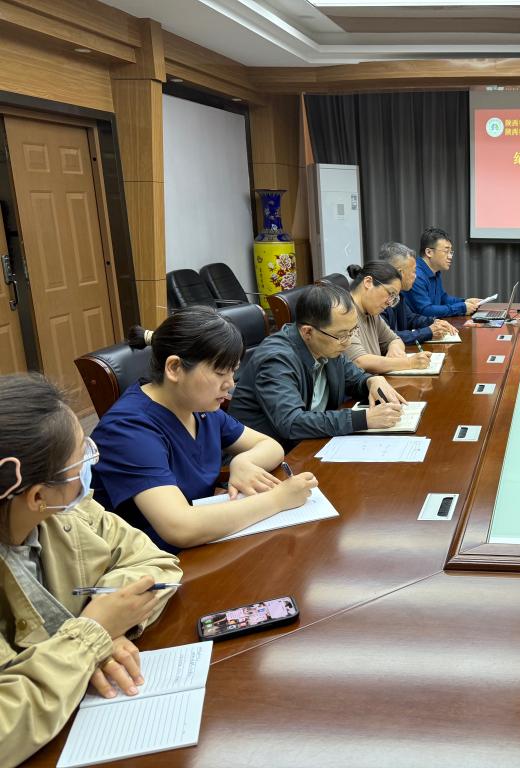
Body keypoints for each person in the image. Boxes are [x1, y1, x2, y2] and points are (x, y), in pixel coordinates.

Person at [0, 373, 182, 766]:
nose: (89, 463)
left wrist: (106, 624)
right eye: (81, 457)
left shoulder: (66, 512)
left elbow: (154, 561)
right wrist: (92, 634)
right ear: (37, 495)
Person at [90, 306, 318, 552]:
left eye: (232, 372)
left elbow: (270, 446)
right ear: (174, 368)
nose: (230, 384)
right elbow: (180, 527)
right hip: (150, 561)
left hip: (202, 545)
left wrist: (243, 462)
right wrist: (277, 499)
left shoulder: (199, 407)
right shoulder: (128, 429)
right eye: (220, 373)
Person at [230, 282, 406, 453]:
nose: (347, 342)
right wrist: (362, 419)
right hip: (264, 459)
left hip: (310, 446)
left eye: (352, 332)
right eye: (342, 335)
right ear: (307, 332)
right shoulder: (276, 359)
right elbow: (291, 423)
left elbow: (354, 378)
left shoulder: (328, 345)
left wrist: (371, 381)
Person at [344, 261, 434, 374]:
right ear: (368, 282)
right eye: (390, 293)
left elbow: (394, 339)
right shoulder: (344, 312)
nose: (390, 303)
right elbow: (359, 361)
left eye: (394, 298)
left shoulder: (371, 312)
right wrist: (409, 363)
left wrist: (394, 348)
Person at [379, 241, 459, 345]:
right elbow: (387, 337)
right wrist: (428, 332)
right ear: (399, 273)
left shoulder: (398, 295)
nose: (415, 276)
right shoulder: (378, 299)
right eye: (413, 271)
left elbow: (410, 318)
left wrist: (434, 322)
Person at [403, 226, 483, 318]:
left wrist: (465, 301)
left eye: (451, 252)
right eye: (446, 251)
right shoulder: (416, 275)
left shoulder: (435, 272)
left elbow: (443, 299)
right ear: (429, 252)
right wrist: (462, 308)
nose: (450, 256)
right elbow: (426, 311)